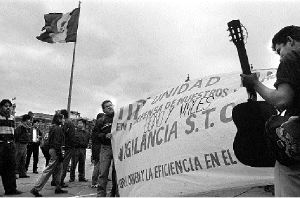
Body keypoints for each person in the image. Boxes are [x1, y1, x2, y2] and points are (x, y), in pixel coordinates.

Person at [241, 25, 300, 197]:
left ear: (290, 41)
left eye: (279, 50)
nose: (280, 56)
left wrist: (255, 84)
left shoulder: (291, 60)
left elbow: (281, 99)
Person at [30, 113, 68, 197]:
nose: (64, 120)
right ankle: (36, 188)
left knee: (59, 169)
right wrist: (60, 154)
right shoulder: (57, 129)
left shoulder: (54, 127)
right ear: (59, 119)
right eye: (63, 118)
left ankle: (58, 187)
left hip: (53, 150)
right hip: (56, 151)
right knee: (49, 170)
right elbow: (57, 143)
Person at [95, 100, 119, 197]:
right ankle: (101, 195)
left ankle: (115, 194)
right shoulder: (101, 120)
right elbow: (96, 135)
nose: (110, 107)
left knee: (117, 173)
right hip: (106, 148)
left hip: (117, 146)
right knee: (103, 172)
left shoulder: (120, 117)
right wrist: (105, 136)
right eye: (107, 106)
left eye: (111, 105)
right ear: (104, 110)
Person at [0, 99, 22, 195]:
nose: (8, 107)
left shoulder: (12, 118)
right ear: (1, 107)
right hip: (1, 145)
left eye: (9, 106)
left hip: (10, 145)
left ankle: (11, 190)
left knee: (10, 169)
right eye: (5, 105)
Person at [55, 109, 75, 187]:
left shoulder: (65, 123)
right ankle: (59, 181)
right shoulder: (69, 123)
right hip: (68, 146)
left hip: (66, 146)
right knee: (64, 164)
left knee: (62, 165)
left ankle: (58, 181)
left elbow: (63, 134)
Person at [14, 114, 31, 178]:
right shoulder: (20, 126)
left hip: (24, 144)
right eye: (29, 119)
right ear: (26, 119)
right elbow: (16, 135)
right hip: (20, 144)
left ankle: (22, 173)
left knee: (23, 159)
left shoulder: (25, 126)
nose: (30, 121)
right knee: (17, 158)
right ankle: (14, 173)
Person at [91, 113, 104, 188]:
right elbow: (99, 137)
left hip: (95, 148)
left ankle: (95, 181)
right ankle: (94, 182)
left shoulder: (95, 128)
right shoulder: (98, 128)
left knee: (97, 165)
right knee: (97, 165)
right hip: (98, 148)